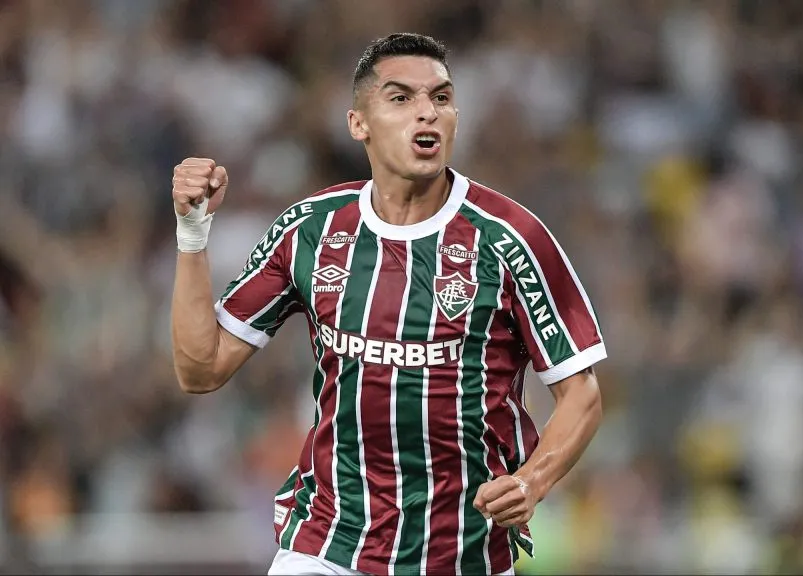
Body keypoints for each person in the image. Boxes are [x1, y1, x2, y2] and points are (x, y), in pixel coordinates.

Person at [170, 33, 606, 576]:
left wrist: (531, 481)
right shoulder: (312, 229)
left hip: (462, 556)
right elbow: (200, 368)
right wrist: (193, 234)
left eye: (441, 98)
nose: (427, 112)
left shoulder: (510, 239)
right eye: (401, 99)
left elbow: (581, 393)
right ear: (359, 124)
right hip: (327, 547)